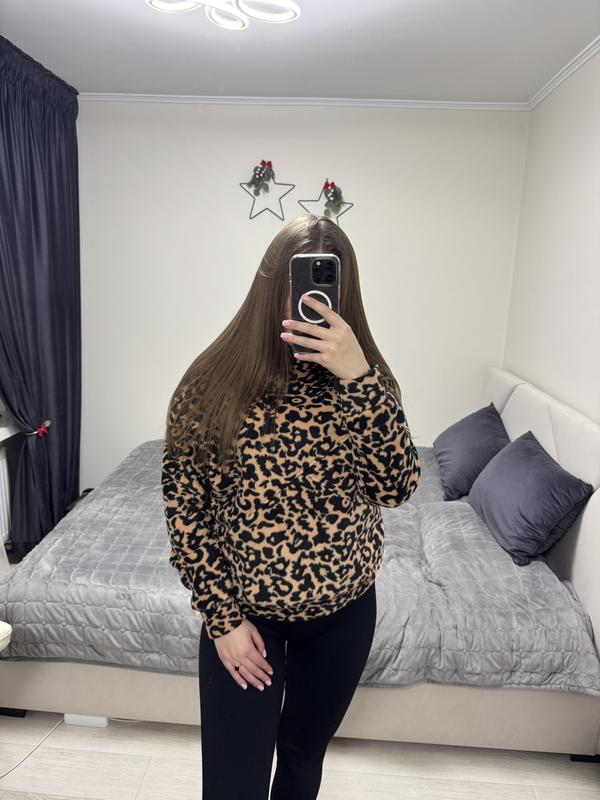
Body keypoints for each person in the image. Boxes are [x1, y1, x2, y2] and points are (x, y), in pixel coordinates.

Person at [162, 213, 421, 800]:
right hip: (244, 623)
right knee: (233, 784)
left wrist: (357, 379)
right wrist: (223, 620)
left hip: (343, 617)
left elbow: (397, 488)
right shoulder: (210, 386)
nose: (308, 302)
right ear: (269, 288)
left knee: (302, 763)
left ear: (345, 296)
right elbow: (187, 514)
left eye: (326, 286)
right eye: (295, 284)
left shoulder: (368, 383)